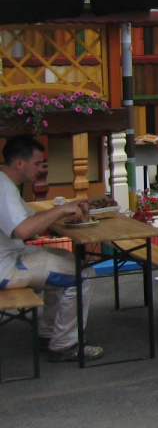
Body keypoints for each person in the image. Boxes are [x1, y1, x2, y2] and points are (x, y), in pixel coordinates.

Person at [0, 135, 103, 362]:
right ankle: (65, 344)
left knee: (66, 258)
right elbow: (23, 231)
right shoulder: (4, 188)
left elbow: (30, 219)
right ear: (19, 163)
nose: (41, 169)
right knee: (84, 274)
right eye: (37, 163)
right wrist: (59, 211)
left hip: (10, 257)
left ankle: (48, 333)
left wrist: (66, 209)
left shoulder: (5, 183)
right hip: (5, 267)